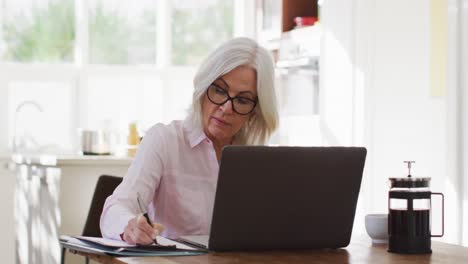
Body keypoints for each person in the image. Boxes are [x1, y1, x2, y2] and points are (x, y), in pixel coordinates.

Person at [100, 37, 279, 245]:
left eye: (242, 100)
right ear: (203, 88)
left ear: (255, 111)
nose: (226, 107)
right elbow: (116, 207)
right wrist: (129, 225)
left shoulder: (258, 160)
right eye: (219, 90)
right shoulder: (165, 141)